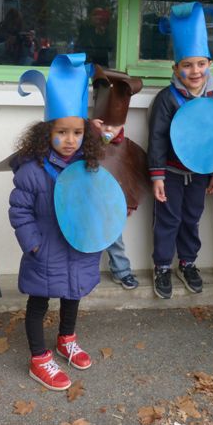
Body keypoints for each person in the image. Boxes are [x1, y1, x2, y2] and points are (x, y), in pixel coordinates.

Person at [9, 53, 104, 391]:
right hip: (45, 249)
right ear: (46, 132)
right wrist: (33, 243)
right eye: (62, 132)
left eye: (77, 132)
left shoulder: (89, 167)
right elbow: (19, 211)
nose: (70, 140)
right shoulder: (32, 171)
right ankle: (38, 357)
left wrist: (99, 230)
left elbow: (100, 204)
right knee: (38, 302)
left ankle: (66, 339)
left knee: (72, 294)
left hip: (77, 248)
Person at [148, 2, 213, 299]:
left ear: (209, 63)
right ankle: (163, 266)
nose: (195, 71)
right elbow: (156, 138)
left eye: (200, 64)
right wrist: (157, 176)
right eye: (187, 65)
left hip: (202, 173)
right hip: (170, 171)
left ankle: (188, 263)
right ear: (176, 68)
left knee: (192, 218)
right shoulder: (167, 98)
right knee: (168, 220)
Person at [90, 65, 147, 290]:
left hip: (112, 205)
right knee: (87, 240)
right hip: (88, 203)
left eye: (114, 126)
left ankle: (121, 271)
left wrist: (130, 201)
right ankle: (86, 274)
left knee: (115, 240)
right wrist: (90, 132)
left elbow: (131, 174)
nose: (108, 131)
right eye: (104, 124)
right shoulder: (86, 142)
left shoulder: (125, 147)